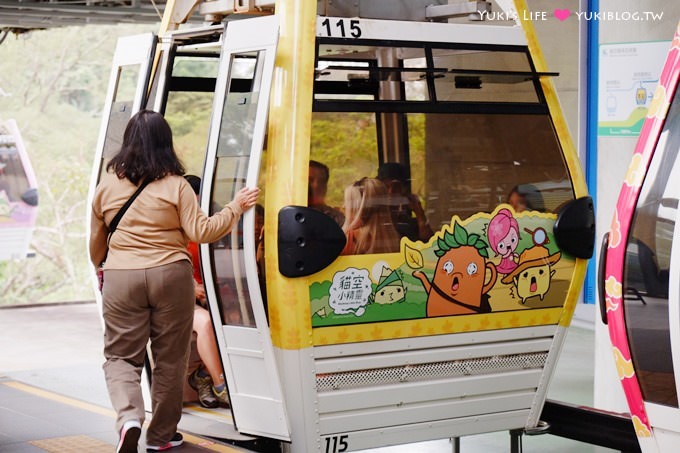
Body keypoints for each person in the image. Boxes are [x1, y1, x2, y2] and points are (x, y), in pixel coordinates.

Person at [89, 110, 259, 453]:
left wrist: (101, 268)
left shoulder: (106, 186)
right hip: (171, 274)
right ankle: (161, 436)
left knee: (121, 356)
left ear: (128, 145)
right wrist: (235, 207)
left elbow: (96, 241)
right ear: (166, 144)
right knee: (170, 357)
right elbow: (202, 231)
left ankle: (129, 419)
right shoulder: (177, 186)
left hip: (122, 276)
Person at [183, 175, 230, 409]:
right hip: (181, 299)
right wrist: (191, 287)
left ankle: (202, 376)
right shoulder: (171, 230)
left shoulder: (214, 226)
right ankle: (221, 386)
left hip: (214, 294)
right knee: (208, 324)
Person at [341, 177, 400, 255]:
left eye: (347, 202)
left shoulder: (347, 240)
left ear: (360, 208)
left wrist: (346, 227)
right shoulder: (396, 240)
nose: (343, 206)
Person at [377, 162, 433, 242]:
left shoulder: (410, 225)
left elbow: (428, 246)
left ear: (404, 190)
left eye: (396, 187)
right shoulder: (374, 222)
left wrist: (420, 214)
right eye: (386, 186)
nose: (390, 192)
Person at [309, 160, 344, 226]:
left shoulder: (335, 218)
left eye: (321, 181)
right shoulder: (288, 213)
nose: (316, 185)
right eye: (310, 180)